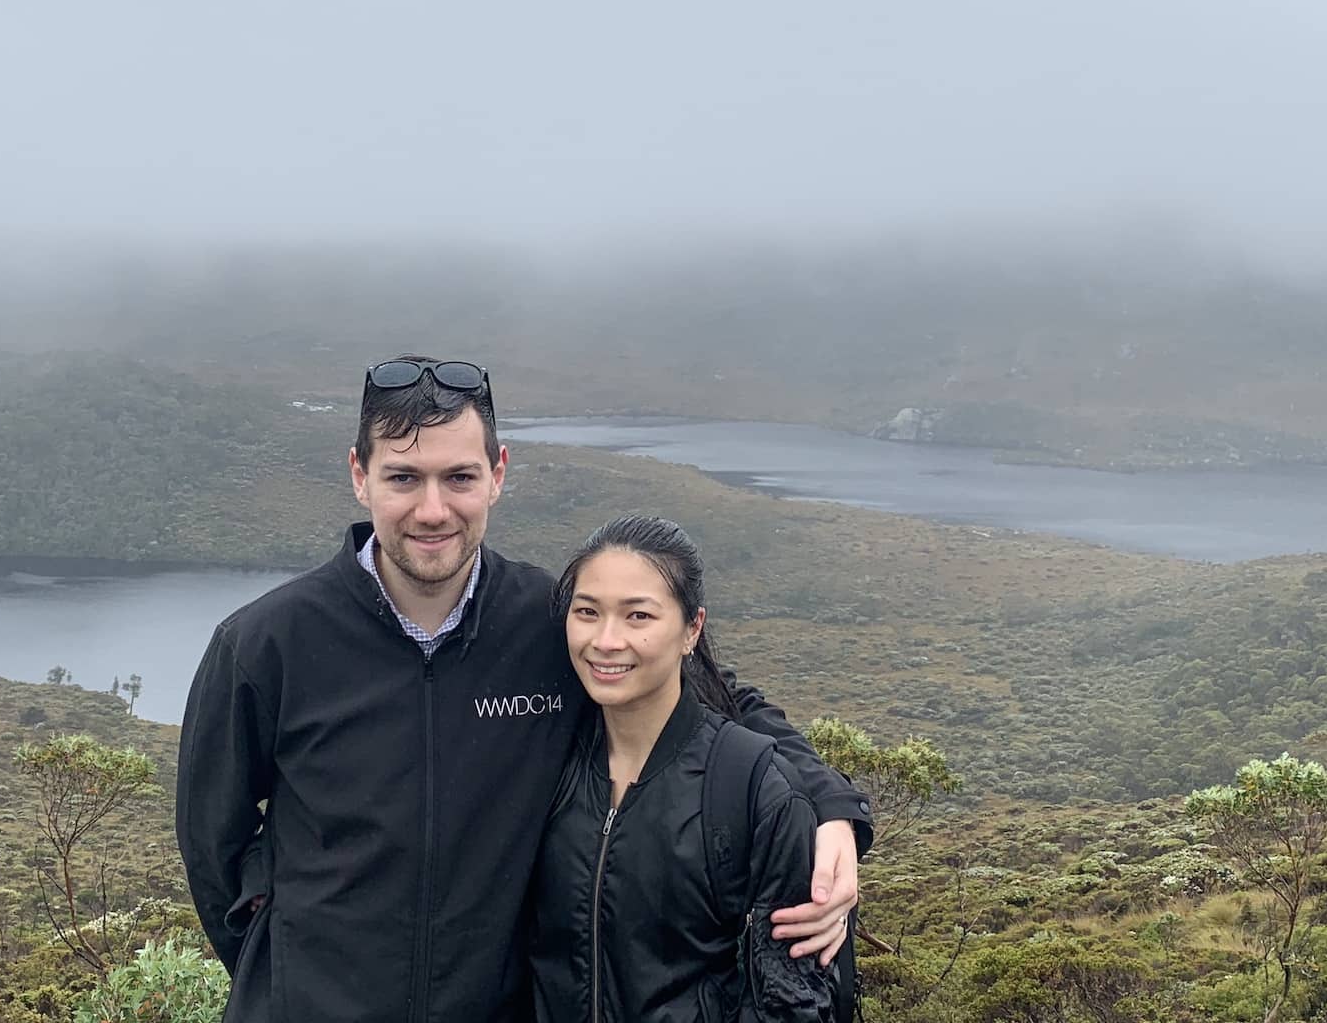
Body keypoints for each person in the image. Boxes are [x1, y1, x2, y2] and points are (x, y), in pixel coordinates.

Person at [177, 356, 872, 1021]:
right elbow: (214, 847)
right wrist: (288, 971)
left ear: (498, 474)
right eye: (402, 479)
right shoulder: (265, 645)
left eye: (458, 477)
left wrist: (832, 806)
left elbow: (713, 697)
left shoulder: (547, 623)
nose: (431, 509)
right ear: (360, 476)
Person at [531, 516, 839, 1022]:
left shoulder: (750, 789)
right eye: (587, 611)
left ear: (691, 628)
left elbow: (792, 1003)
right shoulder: (544, 761)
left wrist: (840, 811)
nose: (606, 640)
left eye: (638, 617)